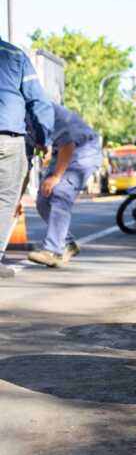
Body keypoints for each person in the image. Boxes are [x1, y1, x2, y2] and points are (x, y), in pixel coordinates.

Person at [0, 39, 54, 278]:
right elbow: (38, 102)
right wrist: (44, 139)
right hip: (7, 138)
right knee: (4, 200)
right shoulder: (13, 54)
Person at [27, 104, 101, 268]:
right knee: (42, 201)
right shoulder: (15, 123)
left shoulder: (41, 111)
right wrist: (15, 197)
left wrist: (56, 176)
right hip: (61, 152)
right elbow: (26, 160)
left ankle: (52, 251)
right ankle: (67, 244)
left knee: (60, 193)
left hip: (83, 149)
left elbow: (67, 145)